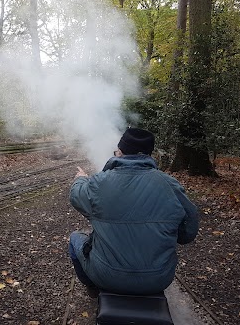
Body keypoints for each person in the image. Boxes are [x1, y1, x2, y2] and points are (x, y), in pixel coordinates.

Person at [68, 127, 199, 297]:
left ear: (120, 152)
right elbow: (188, 233)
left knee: (74, 240)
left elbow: (76, 196)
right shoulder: (170, 185)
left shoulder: (99, 182)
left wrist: (81, 178)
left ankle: (93, 288)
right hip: (159, 278)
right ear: (149, 155)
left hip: (107, 277)